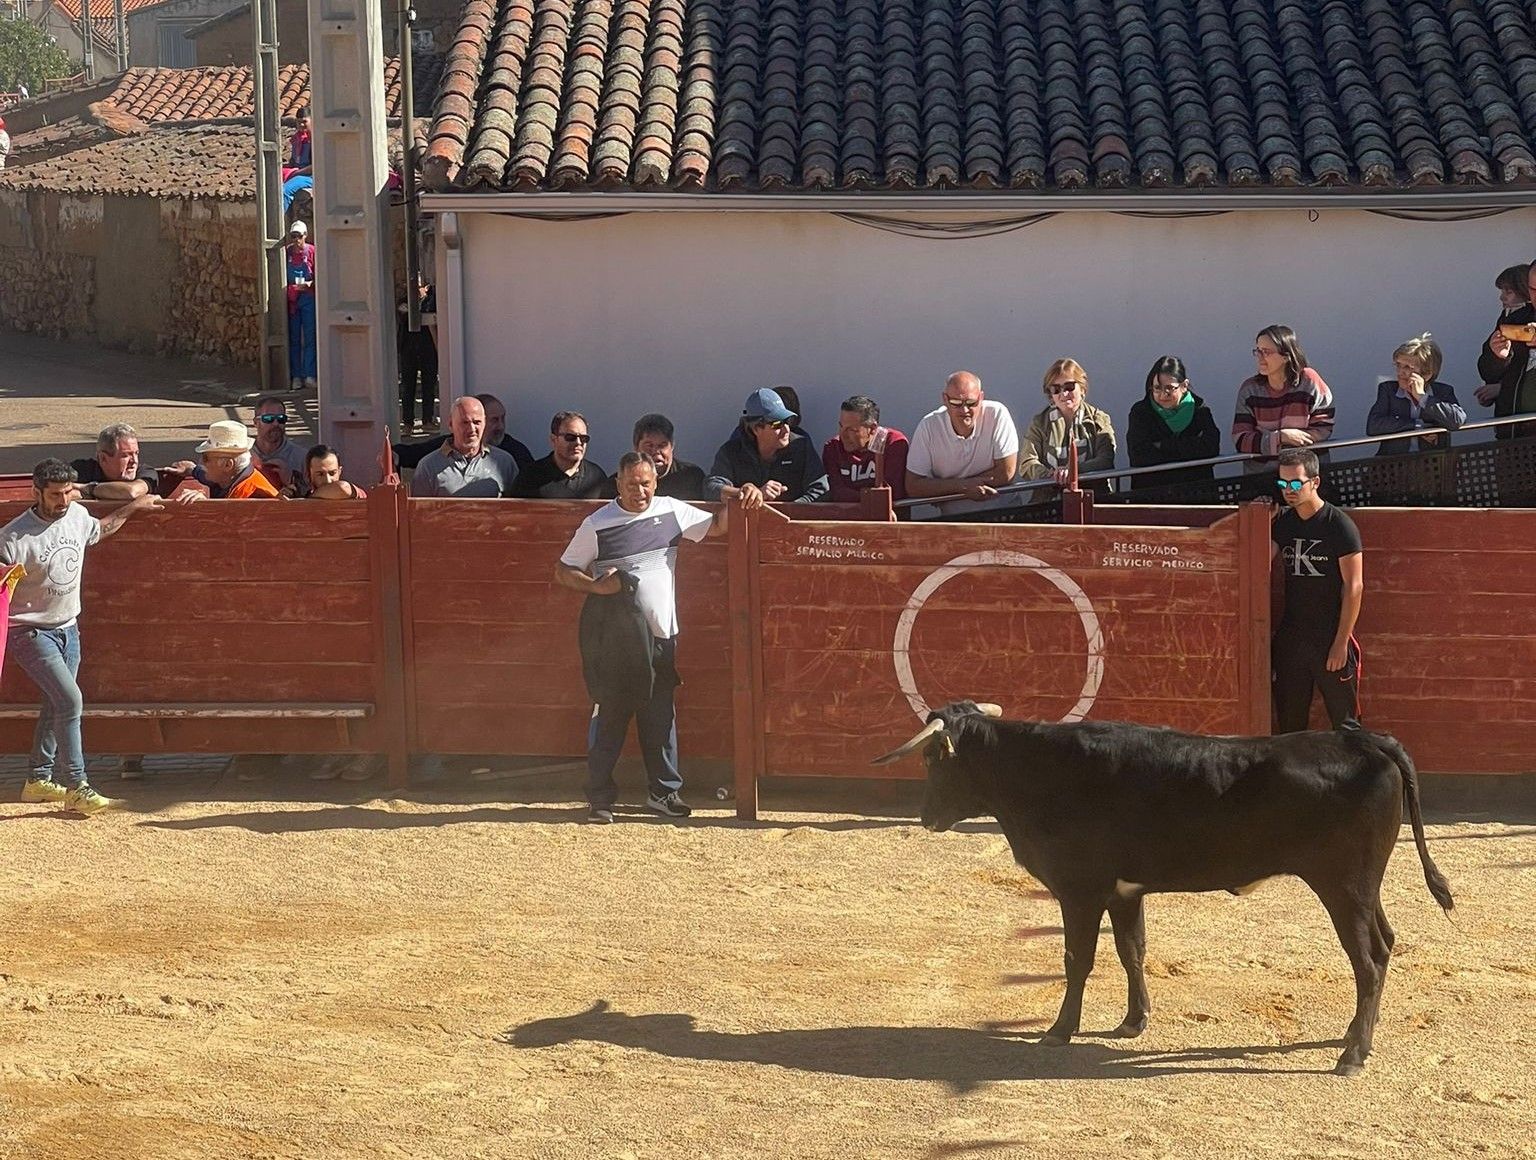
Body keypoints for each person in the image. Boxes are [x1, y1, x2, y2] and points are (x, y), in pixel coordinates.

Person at [556, 451, 731, 823]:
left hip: (661, 635)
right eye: (632, 484)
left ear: (657, 483)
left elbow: (717, 527)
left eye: (646, 484)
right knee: (610, 718)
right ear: (618, 483)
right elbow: (564, 571)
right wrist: (597, 588)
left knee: (660, 717)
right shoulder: (598, 524)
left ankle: (664, 793)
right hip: (616, 641)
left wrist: (744, 494)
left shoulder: (671, 510)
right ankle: (600, 797)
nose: (640, 491)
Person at [2, 459, 165, 815]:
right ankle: (77, 784)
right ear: (36, 492)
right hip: (30, 631)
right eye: (55, 495)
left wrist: (135, 505)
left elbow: (102, 529)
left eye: (67, 493)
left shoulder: (76, 515)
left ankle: (37, 779)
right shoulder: (13, 537)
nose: (62, 501)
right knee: (70, 701)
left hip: (68, 627)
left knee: (57, 702)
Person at [1270, 447, 1364, 734]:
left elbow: (1354, 586)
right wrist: (1263, 517)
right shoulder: (1283, 524)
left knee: (1346, 724)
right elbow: (1259, 563)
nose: (1289, 490)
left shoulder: (1339, 525)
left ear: (1315, 482)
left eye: (1296, 483)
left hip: (1329, 636)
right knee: (1289, 724)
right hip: (1292, 637)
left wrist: (1340, 641)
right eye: (1283, 484)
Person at [905, 371, 1019, 502]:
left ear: (981, 398)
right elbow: (913, 486)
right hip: (952, 518)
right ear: (945, 400)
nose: (964, 410)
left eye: (971, 402)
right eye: (956, 402)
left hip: (1003, 511)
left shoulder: (996, 414)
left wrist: (951, 487)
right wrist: (964, 487)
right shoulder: (929, 426)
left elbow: (1006, 473)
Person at [1232, 324, 1334, 470]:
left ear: (1286, 356)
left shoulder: (1310, 381)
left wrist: (1275, 444)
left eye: (1266, 352)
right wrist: (1280, 437)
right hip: (1261, 477)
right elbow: (1240, 439)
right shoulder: (1249, 390)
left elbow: (1323, 428)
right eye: (1257, 351)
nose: (1260, 358)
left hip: (1305, 474)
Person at [704, 388, 829, 507]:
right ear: (756, 429)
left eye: (787, 421)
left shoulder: (801, 446)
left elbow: (821, 489)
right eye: (777, 424)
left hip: (792, 527)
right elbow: (711, 487)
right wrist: (748, 493)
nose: (786, 429)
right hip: (747, 527)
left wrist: (790, 511)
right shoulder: (731, 451)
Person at [1124, 356, 1222, 490]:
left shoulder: (1200, 410)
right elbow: (1139, 456)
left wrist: (1162, 445)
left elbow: (1211, 448)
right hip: (1152, 495)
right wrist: (1190, 448)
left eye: (1170, 388)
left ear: (1184, 386)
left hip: (1197, 492)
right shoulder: (1141, 412)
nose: (1163, 395)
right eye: (1157, 388)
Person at [1020, 359, 1117, 489]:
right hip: (1048, 500)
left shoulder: (1098, 419)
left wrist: (1073, 471)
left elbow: (1106, 459)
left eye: (1069, 387)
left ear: (1082, 388)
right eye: (1056, 389)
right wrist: (1052, 475)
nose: (1063, 394)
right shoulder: (1039, 423)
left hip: (1093, 496)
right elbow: (1027, 463)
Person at [1366, 334, 1466, 456]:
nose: (1400, 372)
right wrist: (1417, 426)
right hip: (1393, 465)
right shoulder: (1388, 390)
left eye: (1407, 367)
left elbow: (1457, 420)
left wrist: (1422, 397)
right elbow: (1374, 426)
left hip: (1432, 465)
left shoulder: (1443, 392)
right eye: (1398, 365)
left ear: (1427, 374)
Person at [392, 393, 535, 475]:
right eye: (494, 420)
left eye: (503, 419)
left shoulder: (515, 453)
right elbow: (413, 453)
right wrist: (393, 455)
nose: (500, 426)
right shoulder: (448, 446)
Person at [410, 396, 519, 497]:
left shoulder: (504, 462)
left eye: (477, 422)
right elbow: (418, 513)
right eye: (465, 422)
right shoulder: (428, 466)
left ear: (484, 423)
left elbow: (518, 510)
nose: (472, 429)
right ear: (451, 425)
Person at [1476, 262, 1536, 440]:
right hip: (1515, 432)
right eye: (1533, 289)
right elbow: (1487, 371)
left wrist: (1501, 389)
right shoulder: (1515, 320)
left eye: (1508, 291)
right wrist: (1498, 357)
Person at [822, 394, 909, 503]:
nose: (843, 435)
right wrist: (870, 498)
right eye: (841, 426)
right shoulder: (833, 448)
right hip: (847, 517)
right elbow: (836, 492)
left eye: (852, 430)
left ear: (872, 429)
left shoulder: (893, 443)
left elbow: (892, 493)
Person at [599, 414, 707, 500]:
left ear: (672, 446)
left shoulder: (692, 478)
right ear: (636, 447)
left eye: (662, 445)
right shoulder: (618, 483)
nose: (656, 452)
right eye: (649, 446)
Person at [174, 421, 281, 501]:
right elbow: (207, 477)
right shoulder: (230, 477)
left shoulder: (258, 496)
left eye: (206, 458)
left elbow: (231, 527)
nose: (201, 462)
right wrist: (191, 469)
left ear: (227, 465)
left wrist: (206, 506)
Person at [511, 411, 609, 499]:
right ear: (554, 440)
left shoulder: (597, 476)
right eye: (570, 437)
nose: (578, 443)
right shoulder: (530, 476)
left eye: (584, 438)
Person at [70, 422, 160, 501]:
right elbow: (59, 492)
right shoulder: (81, 470)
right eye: (125, 455)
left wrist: (87, 489)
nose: (134, 461)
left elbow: (131, 492)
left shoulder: (146, 472)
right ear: (103, 458)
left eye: (136, 453)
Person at [398, 279, 439, 434]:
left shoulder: (432, 299)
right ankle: (408, 422)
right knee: (408, 385)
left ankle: (428, 419)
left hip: (428, 346)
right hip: (408, 347)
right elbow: (404, 316)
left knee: (429, 384)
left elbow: (432, 317)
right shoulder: (403, 300)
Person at [249, 395, 309, 490]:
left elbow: (312, 496)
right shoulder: (243, 455)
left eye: (281, 418)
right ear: (256, 422)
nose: (276, 424)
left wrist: (291, 479)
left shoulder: (302, 458)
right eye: (269, 418)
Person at [286, 221, 317, 390]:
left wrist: (310, 284)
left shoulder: (312, 252)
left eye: (299, 236)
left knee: (310, 338)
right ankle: (296, 376)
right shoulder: (287, 253)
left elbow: (320, 274)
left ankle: (310, 375)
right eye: (293, 236)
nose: (297, 239)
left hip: (308, 298)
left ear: (305, 235)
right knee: (294, 338)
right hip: (293, 300)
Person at [300, 445, 367, 499]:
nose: (328, 480)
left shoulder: (354, 492)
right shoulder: (304, 495)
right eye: (320, 474)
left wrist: (311, 498)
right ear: (309, 474)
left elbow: (343, 488)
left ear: (339, 471)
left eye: (332, 473)